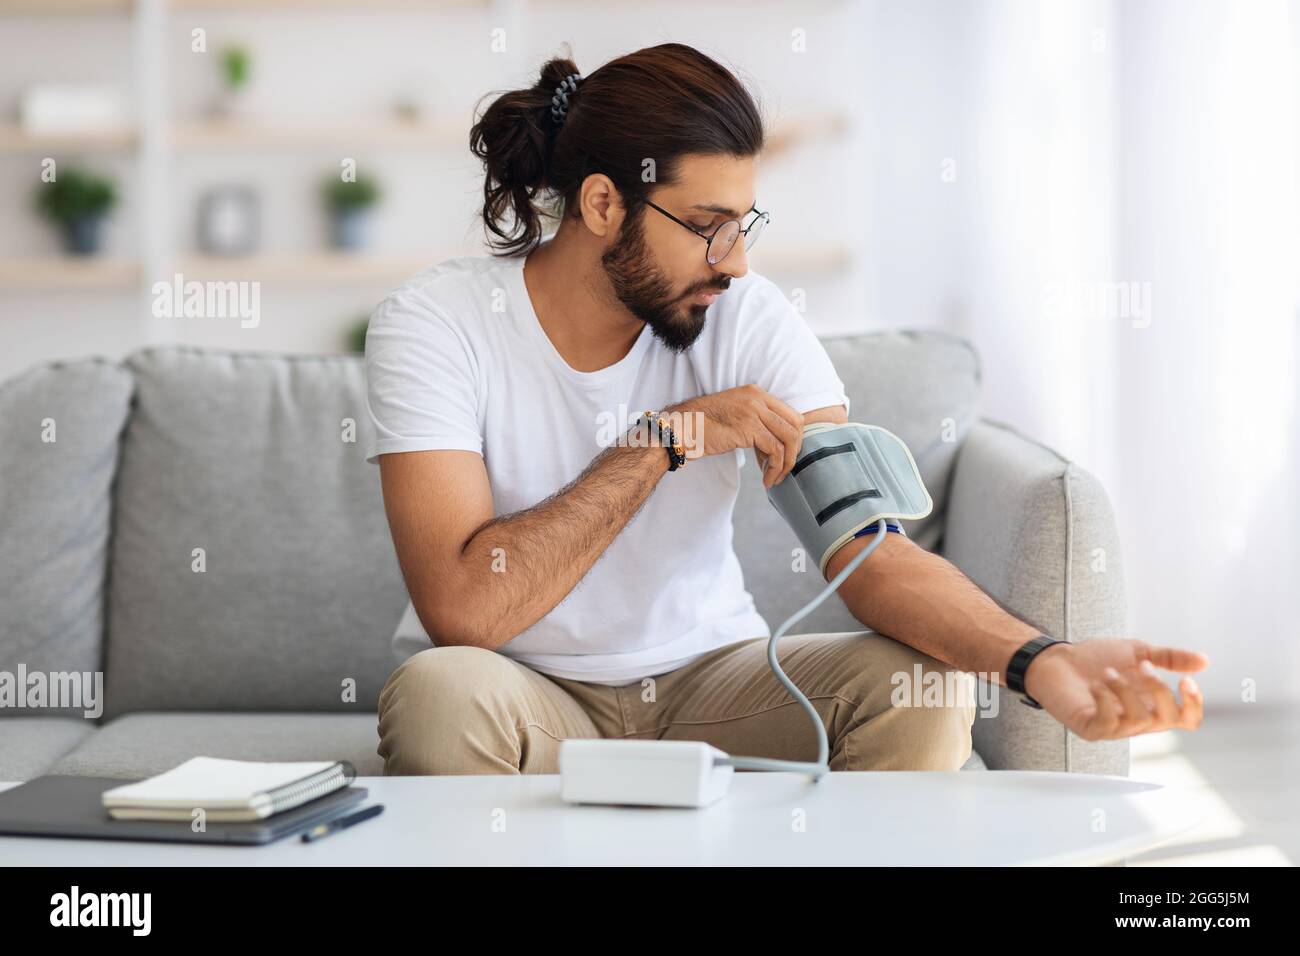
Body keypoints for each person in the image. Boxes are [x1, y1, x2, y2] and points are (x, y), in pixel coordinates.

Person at [365, 42, 1206, 775]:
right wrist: (663, 441)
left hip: (713, 684)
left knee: (915, 693)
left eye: (743, 224)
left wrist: (1039, 660)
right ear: (601, 205)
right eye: (706, 225)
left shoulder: (748, 315)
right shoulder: (437, 324)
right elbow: (466, 609)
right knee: (443, 692)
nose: (732, 262)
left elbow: (868, 554)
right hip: (525, 695)